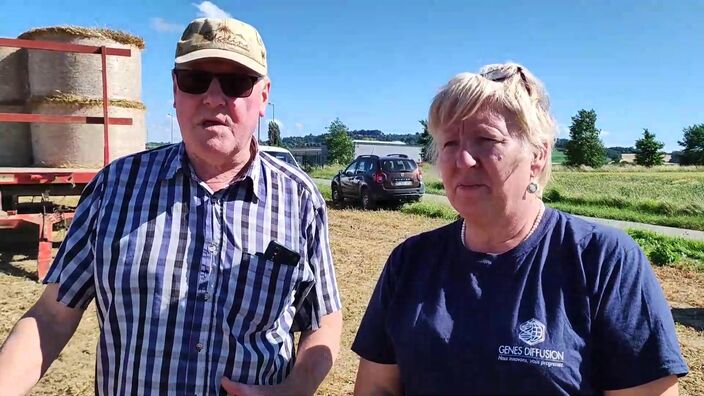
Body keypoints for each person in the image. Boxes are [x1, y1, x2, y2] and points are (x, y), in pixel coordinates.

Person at [0, 17, 342, 395]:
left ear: (263, 97)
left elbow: (323, 320)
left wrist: (293, 390)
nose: (214, 97)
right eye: (196, 79)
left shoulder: (300, 200)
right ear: (175, 90)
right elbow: (51, 317)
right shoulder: (114, 188)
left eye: (236, 82)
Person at [352, 62, 688, 395]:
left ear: (538, 156)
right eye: (450, 144)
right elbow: (377, 386)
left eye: (486, 139)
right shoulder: (410, 261)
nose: (463, 160)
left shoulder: (602, 260)